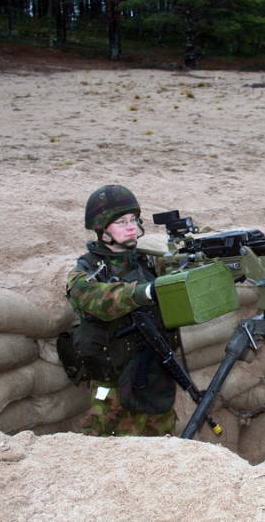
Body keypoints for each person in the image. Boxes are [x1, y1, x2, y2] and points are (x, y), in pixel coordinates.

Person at [65, 184, 178, 437]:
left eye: (134, 220)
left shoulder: (148, 262)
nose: (131, 227)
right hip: (113, 390)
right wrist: (144, 292)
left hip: (153, 378)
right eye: (121, 222)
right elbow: (96, 300)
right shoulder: (85, 271)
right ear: (102, 230)